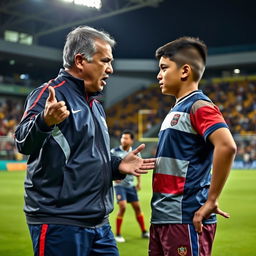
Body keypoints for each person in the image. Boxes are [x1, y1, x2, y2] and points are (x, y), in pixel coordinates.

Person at [14, 25, 155, 256]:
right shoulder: (51, 93)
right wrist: (44, 121)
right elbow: (22, 142)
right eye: (105, 61)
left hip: (100, 223)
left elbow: (86, 156)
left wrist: (116, 165)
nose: (110, 69)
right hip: (60, 222)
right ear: (80, 61)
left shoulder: (96, 106)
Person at [149, 37, 237, 256]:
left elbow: (227, 146)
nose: (159, 75)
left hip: (185, 217)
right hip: (164, 216)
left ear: (184, 71)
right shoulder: (177, 109)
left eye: (163, 68)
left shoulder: (199, 105)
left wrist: (211, 200)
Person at [111, 130, 150, 243]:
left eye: (126, 138)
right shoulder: (114, 151)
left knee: (137, 207)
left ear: (132, 141)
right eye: (123, 138)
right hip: (119, 186)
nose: (123, 140)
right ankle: (118, 234)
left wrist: (139, 182)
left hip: (130, 186)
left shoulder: (135, 153)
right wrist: (114, 176)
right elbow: (108, 166)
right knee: (122, 206)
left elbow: (138, 168)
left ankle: (143, 231)